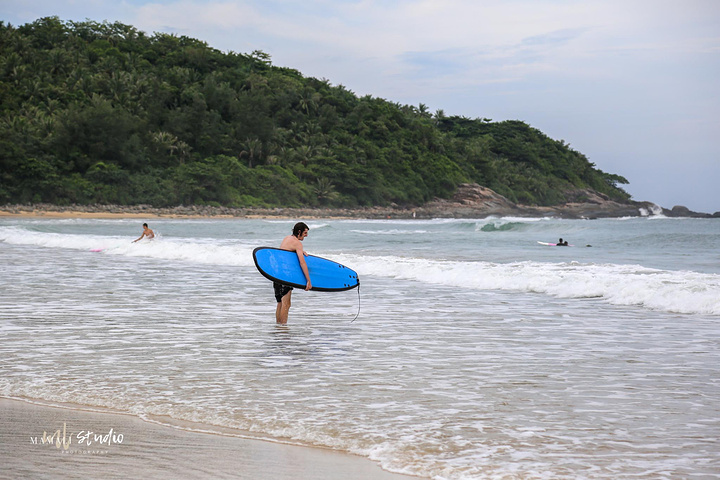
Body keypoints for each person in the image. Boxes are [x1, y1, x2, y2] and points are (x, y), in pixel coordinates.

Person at [275, 222, 311, 324]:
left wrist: (300, 251)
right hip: (285, 275)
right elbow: (302, 262)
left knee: (280, 303)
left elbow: (286, 253)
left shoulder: (287, 238)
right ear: (299, 232)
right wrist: (308, 280)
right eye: (305, 233)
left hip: (276, 273)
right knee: (286, 304)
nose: (306, 235)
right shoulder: (297, 243)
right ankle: (283, 328)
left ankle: (278, 327)